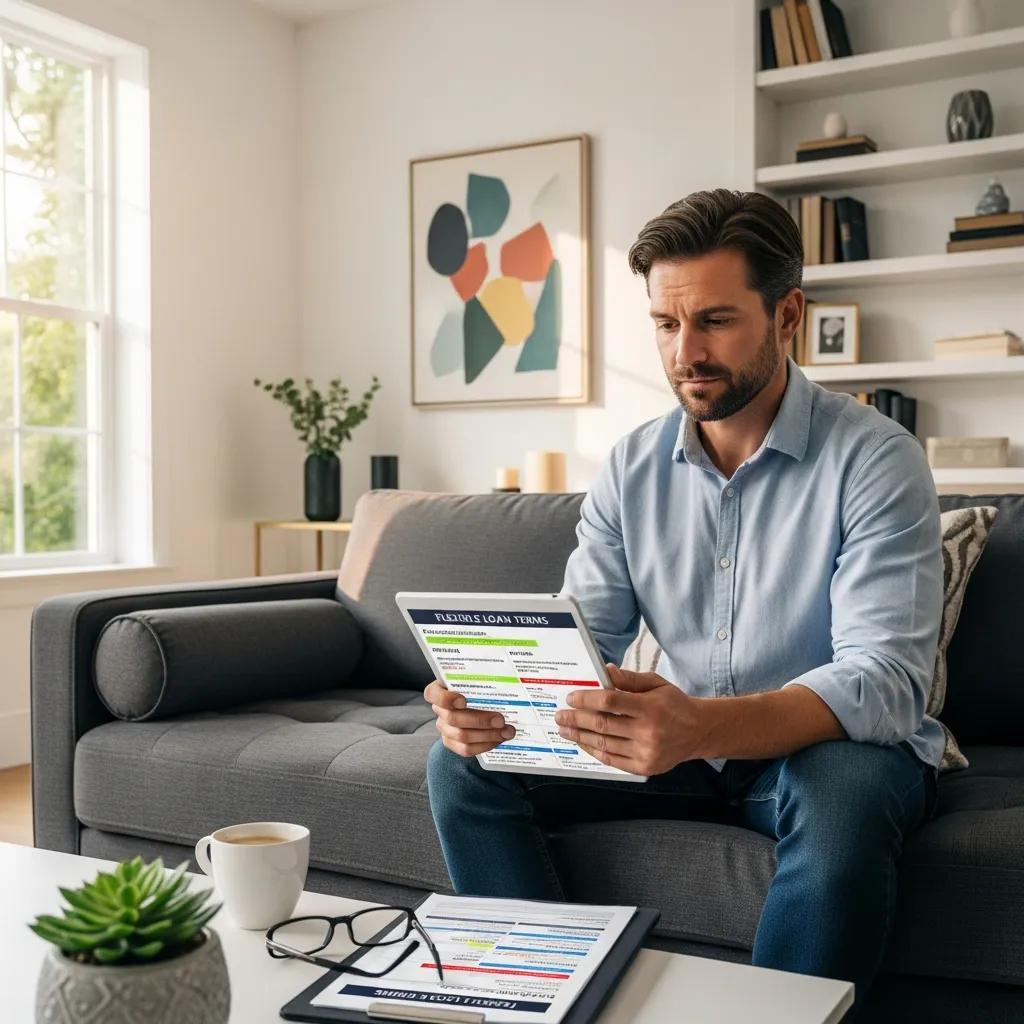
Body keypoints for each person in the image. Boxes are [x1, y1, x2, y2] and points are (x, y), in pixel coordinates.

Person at [424, 188, 943, 1011]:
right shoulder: (633, 468)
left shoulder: (876, 460)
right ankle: (546, 1000)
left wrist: (702, 725)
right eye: (666, 325)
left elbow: (885, 680)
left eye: (715, 321)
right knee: (464, 767)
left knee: (844, 794)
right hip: (677, 750)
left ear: (787, 316)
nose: (685, 352)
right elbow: (583, 632)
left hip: (815, 755)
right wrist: (492, 697)